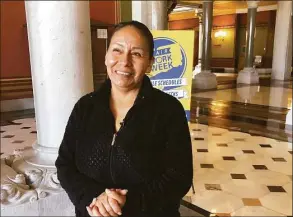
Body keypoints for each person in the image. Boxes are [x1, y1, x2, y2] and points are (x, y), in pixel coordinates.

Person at [55, 20, 193, 217]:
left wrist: (127, 202)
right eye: (117, 50)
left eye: (136, 54)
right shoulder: (85, 107)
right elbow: (65, 165)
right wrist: (94, 198)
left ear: (150, 63)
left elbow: (179, 178)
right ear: (106, 56)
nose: (124, 61)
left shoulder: (168, 110)